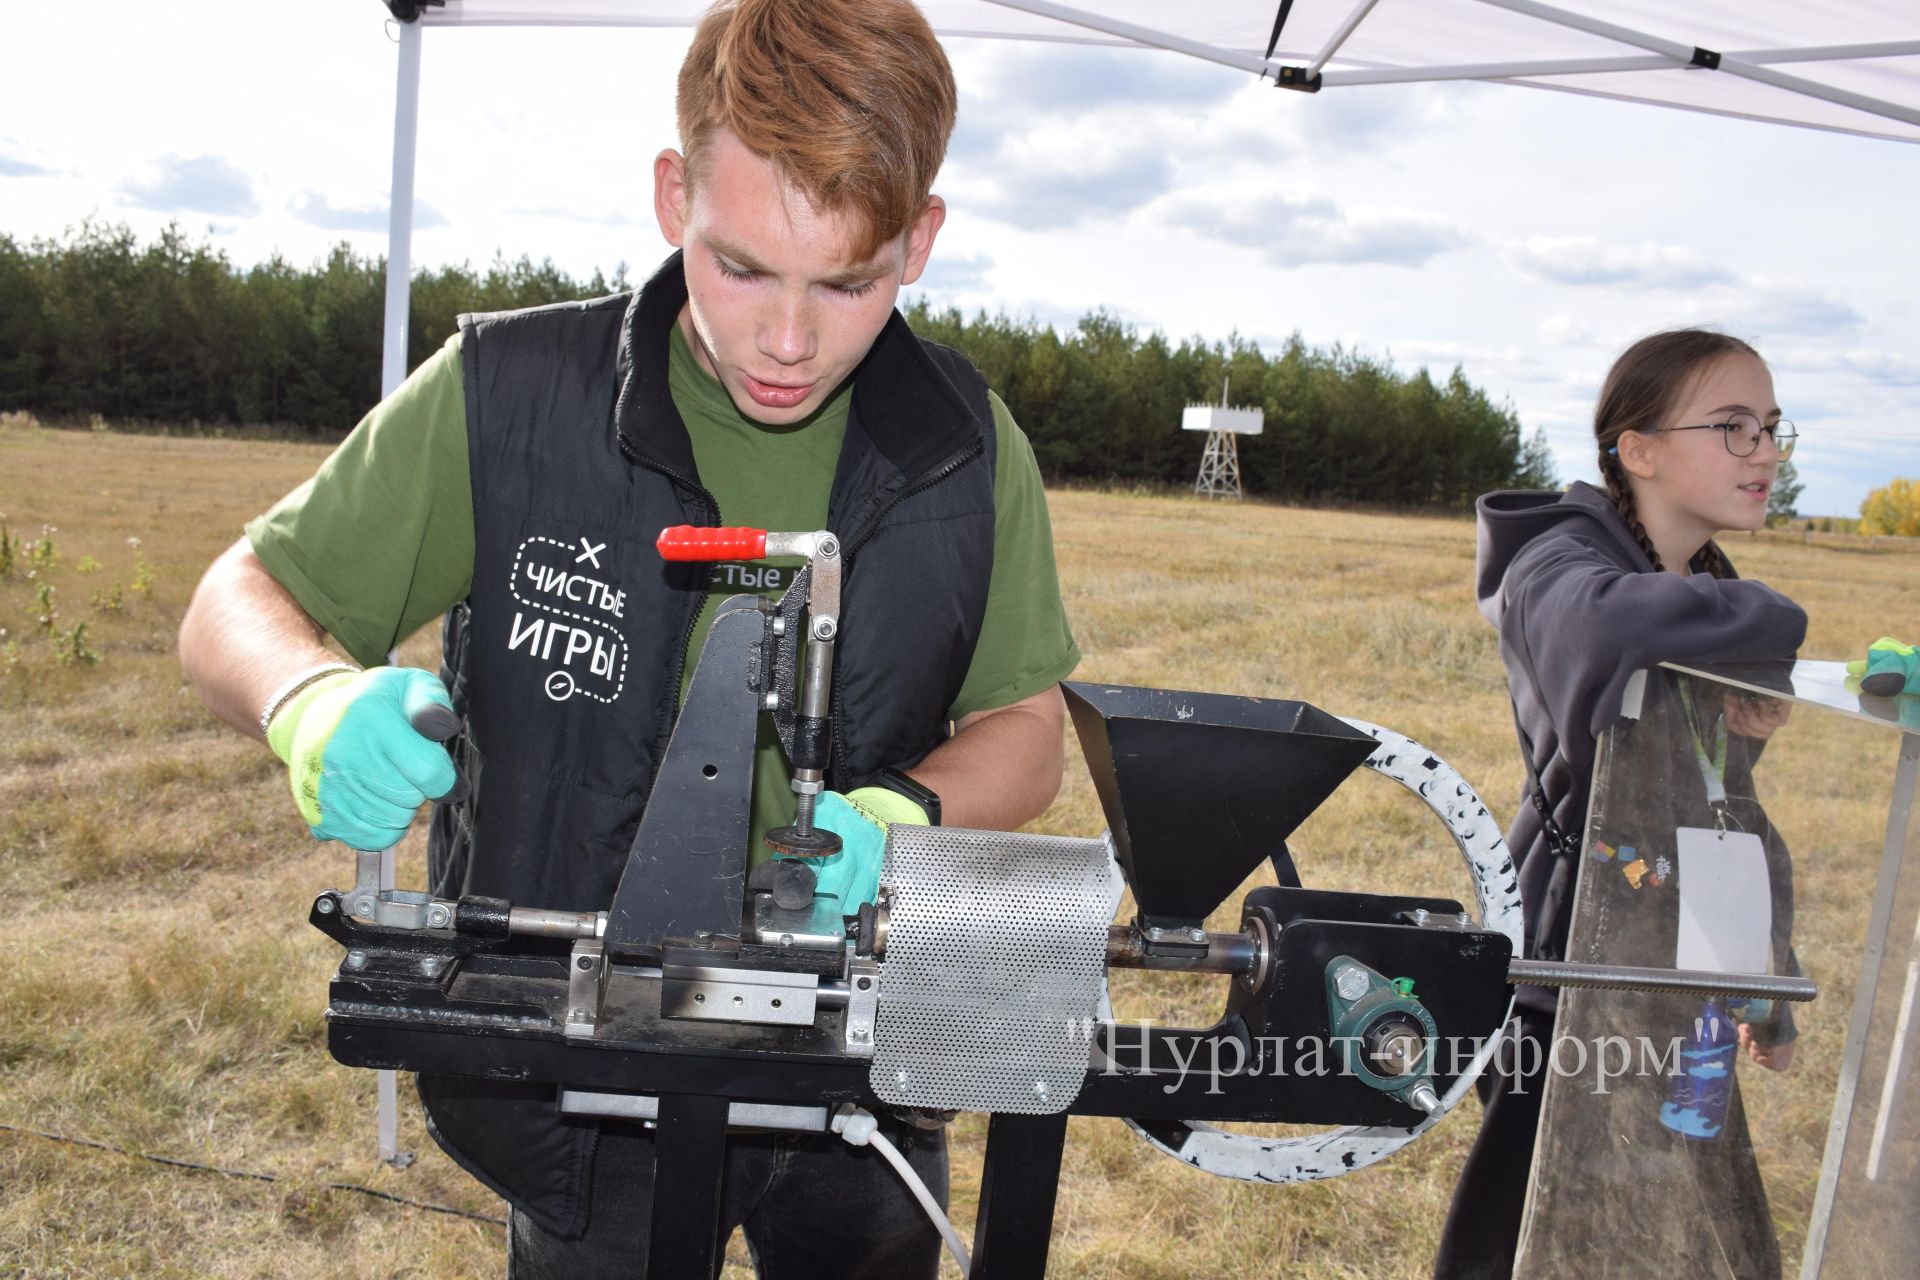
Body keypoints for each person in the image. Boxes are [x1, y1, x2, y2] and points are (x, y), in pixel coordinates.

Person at [177, 1, 1081, 1274]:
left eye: (848, 282)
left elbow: (1027, 728)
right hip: (576, 1066)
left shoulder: (968, 451)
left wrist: (906, 820)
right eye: (743, 264)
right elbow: (238, 595)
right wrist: (306, 698)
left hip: (858, 1070)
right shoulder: (509, 396)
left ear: (921, 239)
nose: (786, 336)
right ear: (673, 196)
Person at [1435, 328, 1808, 1278]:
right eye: (1731, 427)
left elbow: (1725, 811)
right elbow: (1600, 628)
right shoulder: (1555, 560)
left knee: (1663, 1214)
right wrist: (1771, 626)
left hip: (1688, 975)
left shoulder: (1702, 590)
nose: (1764, 452)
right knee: (1533, 1217)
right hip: (1574, 965)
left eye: (1770, 428)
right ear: (1637, 450)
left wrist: (1769, 985)